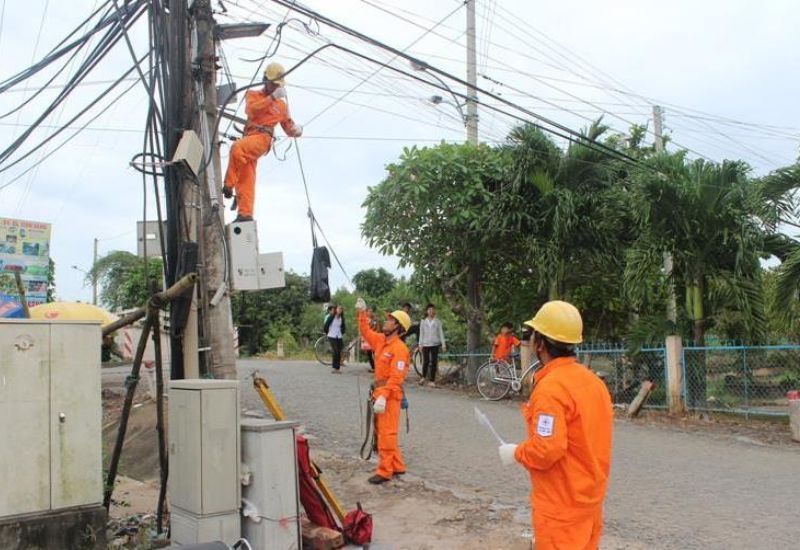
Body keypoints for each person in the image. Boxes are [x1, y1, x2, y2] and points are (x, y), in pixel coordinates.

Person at [497, 301, 613, 550]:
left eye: (533, 336)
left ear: (541, 343)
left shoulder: (551, 390)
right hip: (589, 503)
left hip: (561, 508)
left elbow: (547, 450)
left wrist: (516, 453)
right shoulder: (593, 382)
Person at [222, 62, 303, 222]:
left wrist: (297, 131)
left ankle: (228, 185)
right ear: (265, 80)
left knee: (237, 148)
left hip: (263, 139)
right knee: (247, 175)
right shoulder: (253, 95)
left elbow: (289, 128)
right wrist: (271, 98)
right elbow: (251, 110)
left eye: (277, 85)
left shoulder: (281, 106)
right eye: (273, 84)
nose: (275, 88)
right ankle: (245, 214)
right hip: (250, 136)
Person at [356, 297, 411, 484]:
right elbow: (365, 331)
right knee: (383, 432)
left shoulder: (400, 349)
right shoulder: (381, 340)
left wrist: (384, 396)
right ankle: (397, 465)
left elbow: (397, 377)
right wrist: (362, 313)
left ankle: (385, 470)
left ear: (398, 327)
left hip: (389, 395)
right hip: (380, 393)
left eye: (390, 320)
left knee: (387, 434)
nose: (386, 321)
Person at [418, 303, 446, 386]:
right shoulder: (423, 321)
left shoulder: (437, 321)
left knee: (434, 362)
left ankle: (432, 380)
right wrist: (420, 344)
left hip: (435, 344)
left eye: (432, 310)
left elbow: (441, 333)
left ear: (434, 311)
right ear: (427, 311)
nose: (431, 311)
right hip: (426, 344)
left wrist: (443, 344)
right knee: (425, 361)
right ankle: (423, 377)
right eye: (429, 310)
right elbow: (421, 334)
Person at [323, 305, 346, 374]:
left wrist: (342, 332)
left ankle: (337, 368)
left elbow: (343, 327)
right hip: (331, 336)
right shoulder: (331, 317)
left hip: (339, 336)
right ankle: (334, 367)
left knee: (339, 352)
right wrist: (327, 333)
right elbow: (326, 326)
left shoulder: (342, 318)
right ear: (336, 310)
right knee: (335, 351)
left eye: (341, 309)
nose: (340, 310)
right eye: (339, 308)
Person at [361, 307, 379, 372]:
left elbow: (377, 328)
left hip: (374, 337)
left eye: (371, 311)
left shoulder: (375, 319)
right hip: (367, 338)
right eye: (369, 311)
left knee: (375, 353)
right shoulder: (365, 319)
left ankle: (377, 367)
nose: (370, 313)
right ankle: (373, 367)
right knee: (369, 353)